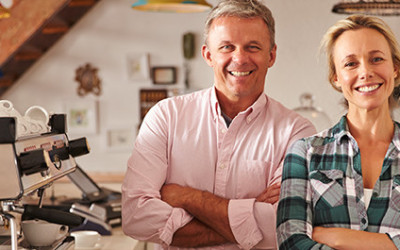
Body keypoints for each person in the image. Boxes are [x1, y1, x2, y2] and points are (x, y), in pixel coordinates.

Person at [122, 0, 316, 249]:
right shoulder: (166, 116)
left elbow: (286, 227)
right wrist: (252, 214)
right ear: (208, 55)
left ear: (271, 55)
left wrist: (187, 197)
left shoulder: (297, 133)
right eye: (227, 47)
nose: (240, 58)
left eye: (252, 47)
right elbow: (135, 218)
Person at [276, 14, 400, 250]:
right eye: (351, 64)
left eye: (376, 59)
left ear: (395, 68)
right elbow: (292, 242)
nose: (365, 72)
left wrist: (339, 238)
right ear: (336, 77)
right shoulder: (305, 153)